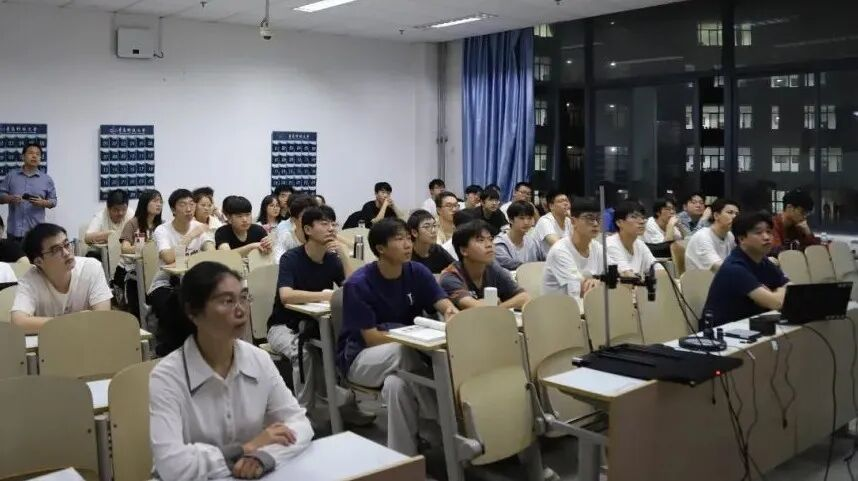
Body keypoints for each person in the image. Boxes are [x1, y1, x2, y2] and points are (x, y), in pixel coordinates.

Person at [149, 262, 313, 480]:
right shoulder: (167, 376)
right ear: (193, 312)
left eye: (243, 298)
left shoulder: (259, 360)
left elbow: (300, 424)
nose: (241, 310)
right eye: (227, 301)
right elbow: (172, 466)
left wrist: (261, 457)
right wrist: (246, 449)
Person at [337, 218, 458, 455]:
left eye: (408, 238)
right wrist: (416, 340)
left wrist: (450, 312)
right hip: (361, 359)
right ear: (380, 248)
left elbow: (442, 302)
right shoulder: (359, 284)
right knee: (405, 352)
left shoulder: (417, 272)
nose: (407, 244)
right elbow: (371, 338)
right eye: (399, 239)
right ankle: (444, 423)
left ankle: (403, 456)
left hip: (407, 356)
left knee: (396, 385)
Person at [266, 206, 373, 425]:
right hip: (283, 326)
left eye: (333, 224)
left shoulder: (331, 259)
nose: (331, 228)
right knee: (304, 353)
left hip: (315, 325)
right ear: (307, 229)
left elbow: (352, 289)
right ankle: (303, 417)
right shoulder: (291, 258)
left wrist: (343, 255)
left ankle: (347, 407)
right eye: (324, 224)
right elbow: (286, 296)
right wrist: (326, 296)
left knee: (342, 347)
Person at [10, 223, 111, 334]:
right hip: (50, 342)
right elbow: (17, 323)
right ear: (39, 261)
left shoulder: (91, 268)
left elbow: (103, 318)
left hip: (87, 340)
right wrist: (71, 322)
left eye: (66, 244)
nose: (67, 253)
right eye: (56, 250)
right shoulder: (29, 281)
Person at [703, 211, 789, 327]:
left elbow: (792, 290)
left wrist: (776, 293)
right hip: (724, 331)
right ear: (742, 238)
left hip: (750, 325)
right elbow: (776, 303)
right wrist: (779, 292)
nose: (766, 237)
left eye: (769, 232)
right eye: (758, 233)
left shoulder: (763, 261)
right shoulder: (734, 268)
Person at [149, 189, 215, 332]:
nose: (189, 209)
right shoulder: (162, 230)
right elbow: (168, 258)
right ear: (173, 209)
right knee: (176, 308)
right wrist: (190, 236)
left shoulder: (198, 227)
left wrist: (207, 244)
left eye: (191, 204)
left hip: (193, 281)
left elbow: (210, 252)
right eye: (183, 204)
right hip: (166, 283)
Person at [440, 220, 530, 310]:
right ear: (463, 250)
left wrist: (498, 307)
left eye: (490, 239)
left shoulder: (493, 268)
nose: (489, 245)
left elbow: (524, 297)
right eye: (481, 240)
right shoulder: (451, 276)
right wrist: (495, 306)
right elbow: (474, 307)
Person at [543, 198, 605, 298]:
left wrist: (601, 282)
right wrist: (602, 283)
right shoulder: (560, 250)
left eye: (598, 218)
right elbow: (583, 288)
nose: (595, 223)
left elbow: (618, 276)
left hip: (587, 304)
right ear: (573, 221)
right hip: (560, 306)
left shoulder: (597, 247)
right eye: (589, 218)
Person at [119, 189, 163, 321]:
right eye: (155, 201)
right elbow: (125, 248)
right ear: (145, 203)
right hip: (134, 269)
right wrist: (144, 248)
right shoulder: (133, 223)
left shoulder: (162, 225)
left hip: (156, 268)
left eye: (160, 201)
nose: (159, 204)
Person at [0, 142, 57, 242]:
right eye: (31, 153)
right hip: (14, 231)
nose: (34, 156)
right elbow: (1, 196)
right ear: (23, 156)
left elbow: (53, 201)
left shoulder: (47, 180)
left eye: (38, 154)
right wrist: (10, 199)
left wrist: (43, 202)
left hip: (36, 232)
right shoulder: (11, 176)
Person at [685, 199, 739, 272]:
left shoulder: (729, 235)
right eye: (730, 212)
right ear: (716, 215)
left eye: (737, 214)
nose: (734, 216)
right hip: (702, 278)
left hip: (721, 276)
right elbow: (717, 267)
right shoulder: (702, 236)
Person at [606, 201, 658, 277]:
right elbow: (628, 276)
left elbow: (658, 269)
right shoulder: (611, 244)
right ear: (619, 223)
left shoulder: (640, 244)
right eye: (634, 217)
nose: (641, 221)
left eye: (643, 217)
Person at [493, 200, 542, 270]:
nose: (526, 222)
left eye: (529, 218)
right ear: (510, 220)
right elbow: (507, 264)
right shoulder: (499, 243)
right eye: (521, 218)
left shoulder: (533, 242)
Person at [84, 189, 131, 259]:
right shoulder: (100, 216)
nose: (120, 213)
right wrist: (109, 235)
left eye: (124, 209)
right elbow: (87, 238)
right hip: (99, 254)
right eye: (116, 210)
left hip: (121, 254)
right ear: (108, 208)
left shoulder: (130, 214)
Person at [272, 194, 318, 263]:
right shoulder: (286, 238)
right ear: (294, 220)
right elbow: (279, 261)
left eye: (315, 216)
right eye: (305, 216)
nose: (311, 220)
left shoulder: (322, 237)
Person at [771, 189, 820, 253]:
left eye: (807, 214)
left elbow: (815, 251)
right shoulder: (772, 225)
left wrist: (808, 233)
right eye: (802, 212)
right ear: (789, 207)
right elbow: (777, 252)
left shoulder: (798, 227)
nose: (805, 216)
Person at [533, 190, 572, 256]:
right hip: (542, 261)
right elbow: (557, 245)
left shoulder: (568, 220)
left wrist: (573, 218)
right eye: (561, 201)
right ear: (551, 206)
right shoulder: (545, 221)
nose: (565, 203)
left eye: (567, 200)